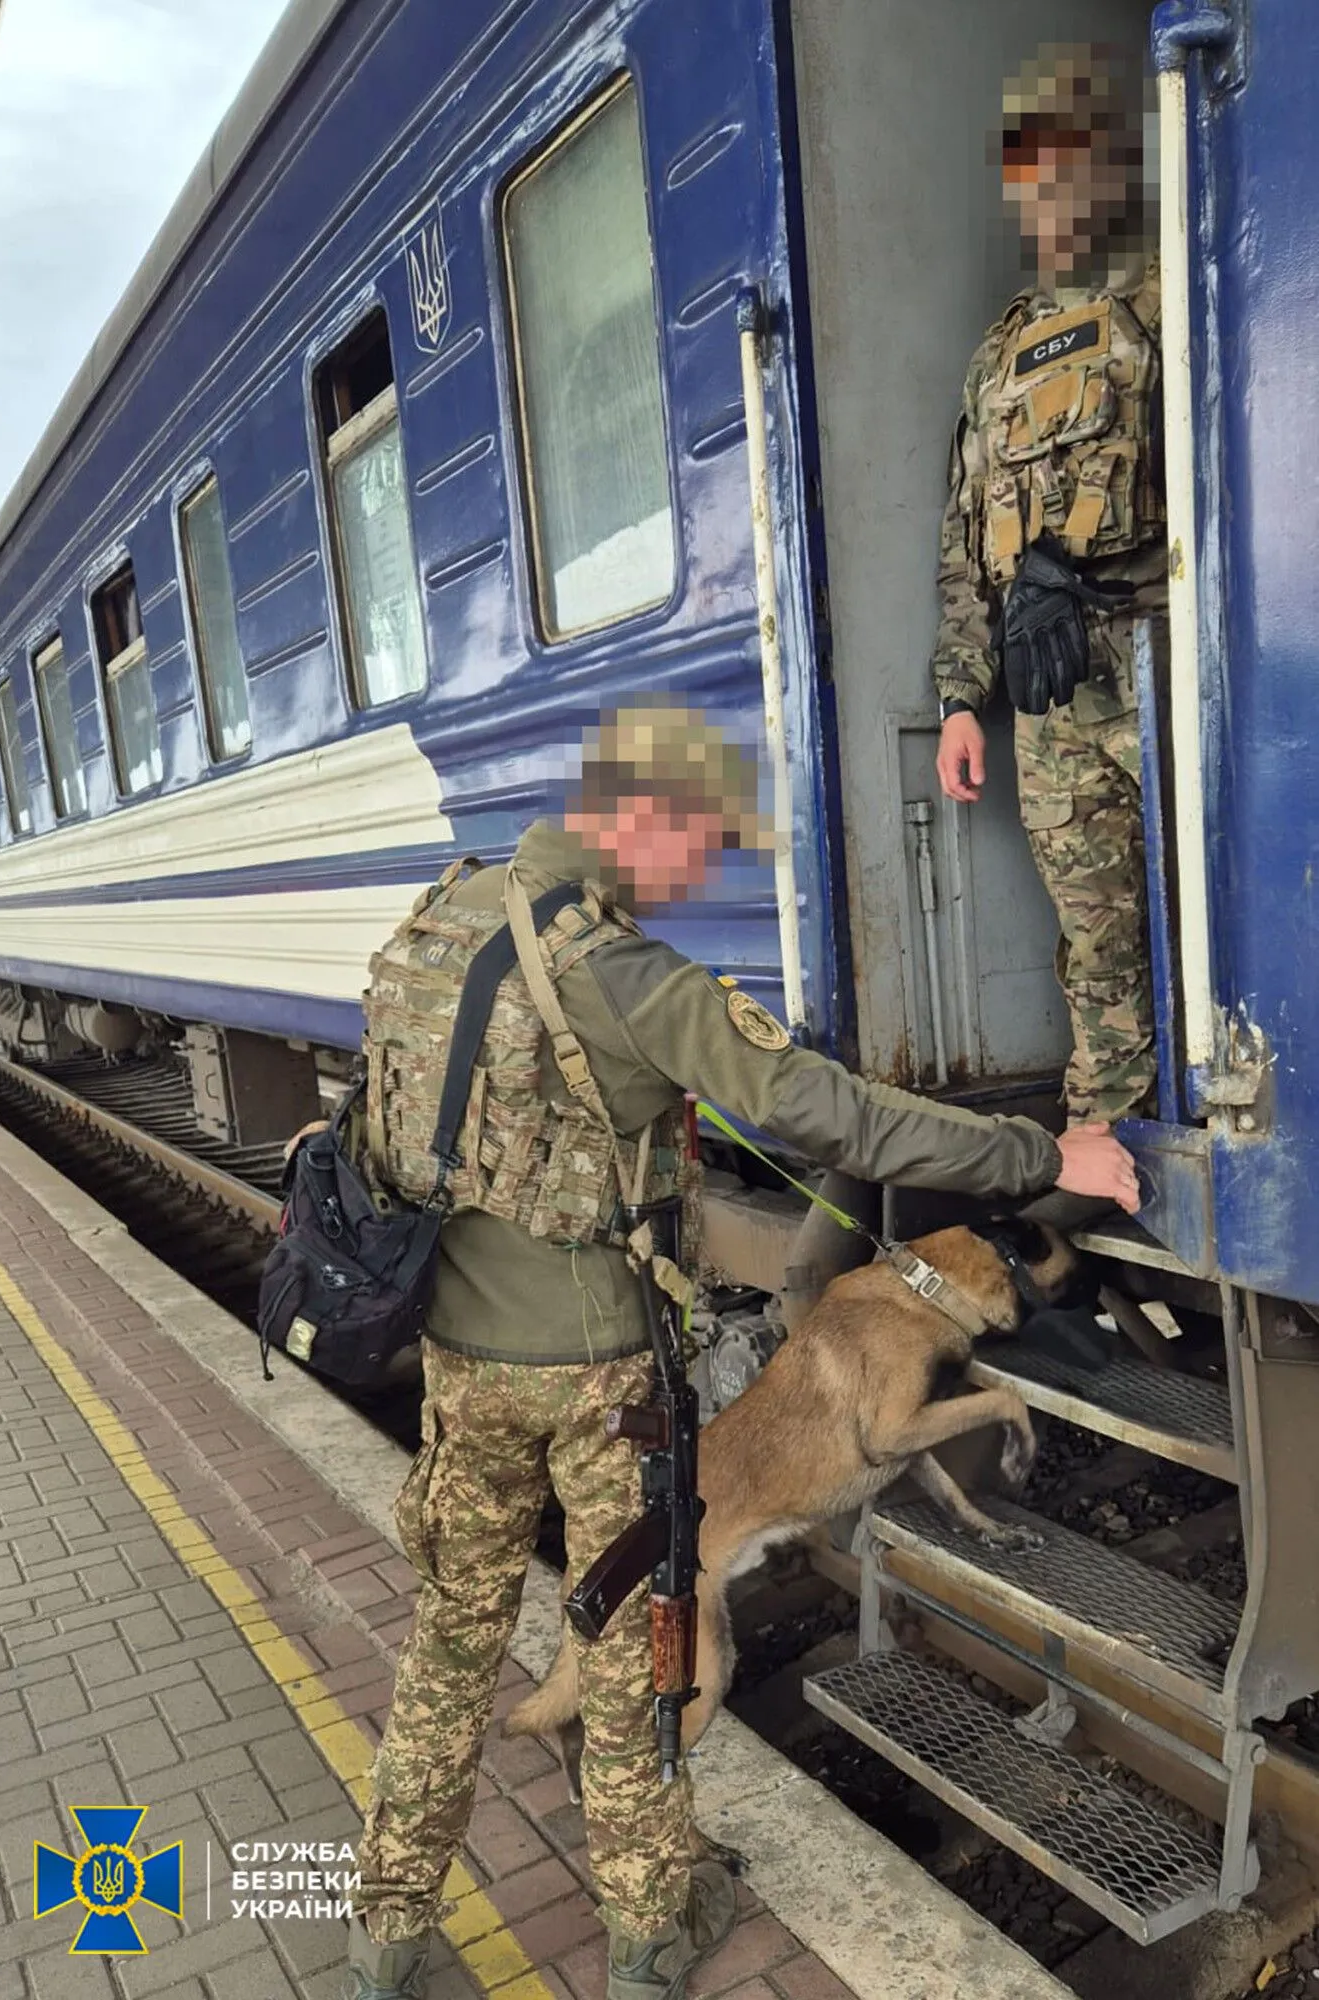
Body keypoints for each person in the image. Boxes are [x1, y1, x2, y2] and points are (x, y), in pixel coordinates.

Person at [341, 701, 1139, 2000]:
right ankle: (654, 1931)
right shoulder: (621, 975)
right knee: (632, 1651)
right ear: (636, 817)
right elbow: (834, 1116)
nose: (694, 878)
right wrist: (1046, 1155)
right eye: (696, 846)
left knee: (449, 1637)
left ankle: (386, 1932)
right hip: (598, 1385)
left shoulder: (441, 919)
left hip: (458, 1362)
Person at [934, 43, 1166, 1123]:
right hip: (1048, 693)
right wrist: (956, 704)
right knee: (1093, 924)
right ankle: (1110, 1126)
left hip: (1160, 655)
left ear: (1109, 169)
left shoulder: (1171, 295)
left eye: (1065, 165)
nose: (1045, 195)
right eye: (1027, 174)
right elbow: (963, 538)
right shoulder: (1001, 354)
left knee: (1223, 905)